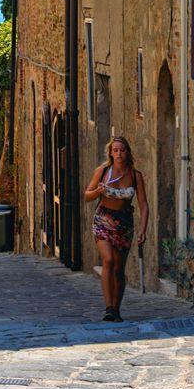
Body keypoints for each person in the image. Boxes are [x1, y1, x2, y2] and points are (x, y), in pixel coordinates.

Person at [84, 137, 148, 322]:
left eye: (122, 150)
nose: (119, 154)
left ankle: (116, 308)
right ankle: (108, 308)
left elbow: (143, 204)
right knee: (109, 260)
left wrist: (143, 229)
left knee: (119, 269)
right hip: (103, 218)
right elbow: (87, 195)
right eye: (115, 150)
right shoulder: (102, 171)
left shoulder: (135, 176)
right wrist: (98, 191)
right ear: (110, 153)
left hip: (124, 223)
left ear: (128, 152)